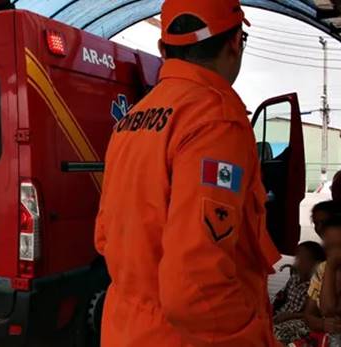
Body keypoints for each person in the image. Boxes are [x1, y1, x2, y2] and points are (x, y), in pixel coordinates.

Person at [94, 0, 282, 345]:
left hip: (125, 328)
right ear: (236, 42)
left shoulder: (131, 120)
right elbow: (196, 287)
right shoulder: (215, 120)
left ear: (163, 49)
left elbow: (105, 236)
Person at [303, 210, 341, 346]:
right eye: (329, 247)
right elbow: (309, 314)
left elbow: (329, 310)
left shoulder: (329, 267)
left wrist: (331, 267)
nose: (334, 253)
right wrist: (321, 323)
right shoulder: (322, 269)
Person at [273, 241, 326, 344]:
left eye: (303, 259)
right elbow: (281, 298)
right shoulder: (294, 278)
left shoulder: (316, 286)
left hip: (299, 322)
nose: (298, 262)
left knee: (273, 335)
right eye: (297, 258)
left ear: (316, 264)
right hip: (281, 316)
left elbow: (314, 315)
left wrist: (288, 316)